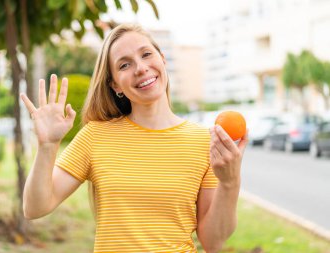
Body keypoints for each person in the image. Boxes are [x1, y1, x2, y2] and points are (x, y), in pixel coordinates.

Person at [20, 24, 248, 253]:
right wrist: (47, 146)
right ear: (115, 84)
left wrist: (230, 182)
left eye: (146, 54)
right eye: (125, 64)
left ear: (162, 59)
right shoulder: (95, 136)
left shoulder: (202, 141)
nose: (140, 68)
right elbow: (35, 208)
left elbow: (213, 242)